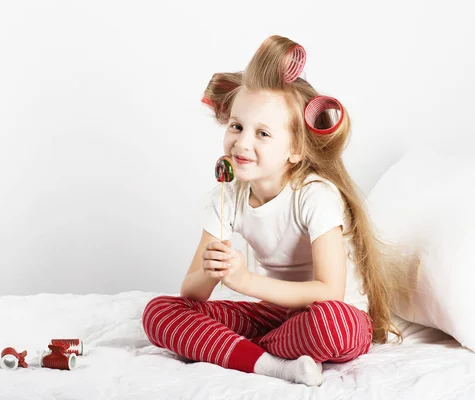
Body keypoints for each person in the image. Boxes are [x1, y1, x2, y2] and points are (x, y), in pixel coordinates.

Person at [142, 35, 419, 386]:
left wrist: (244, 281)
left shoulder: (315, 196)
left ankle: (238, 350)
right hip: (276, 315)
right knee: (160, 313)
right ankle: (272, 364)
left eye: (262, 134)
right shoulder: (227, 197)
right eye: (237, 126)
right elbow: (191, 293)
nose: (242, 142)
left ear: (296, 151)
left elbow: (329, 291)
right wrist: (213, 271)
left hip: (328, 315)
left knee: (335, 326)